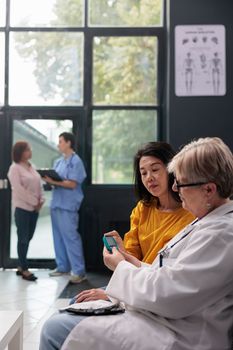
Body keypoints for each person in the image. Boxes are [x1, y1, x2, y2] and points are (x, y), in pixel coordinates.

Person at [61, 137, 233, 350]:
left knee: (59, 329)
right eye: (143, 173)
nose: (175, 188)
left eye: (179, 183)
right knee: (72, 313)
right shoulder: (204, 222)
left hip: (180, 330)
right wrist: (128, 259)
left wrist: (120, 268)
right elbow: (166, 274)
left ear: (208, 190)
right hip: (154, 302)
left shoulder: (219, 234)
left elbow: (167, 292)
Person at [39, 141, 194, 350]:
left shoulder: (191, 216)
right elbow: (131, 254)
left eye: (155, 170)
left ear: (172, 170)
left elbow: (166, 280)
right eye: (143, 172)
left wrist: (114, 294)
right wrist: (121, 254)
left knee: (60, 325)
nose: (149, 177)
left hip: (150, 292)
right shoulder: (143, 208)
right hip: (133, 283)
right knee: (76, 301)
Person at [43, 132, 87, 284]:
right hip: (56, 203)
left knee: (71, 238)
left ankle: (79, 271)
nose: (58, 144)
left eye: (61, 141)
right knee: (58, 238)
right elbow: (56, 181)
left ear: (68, 143)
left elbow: (73, 184)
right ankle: (62, 267)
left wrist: (54, 182)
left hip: (68, 205)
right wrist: (47, 181)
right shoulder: (58, 162)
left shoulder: (76, 161)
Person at [8, 141, 44, 281]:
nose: (30, 151)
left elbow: (39, 184)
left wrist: (41, 201)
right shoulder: (14, 168)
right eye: (27, 149)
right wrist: (35, 202)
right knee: (23, 239)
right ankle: (24, 269)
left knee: (28, 237)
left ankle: (20, 265)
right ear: (20, 152)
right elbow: (18, 189)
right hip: (22, 208)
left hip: (35, 209)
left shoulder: (31, 166)